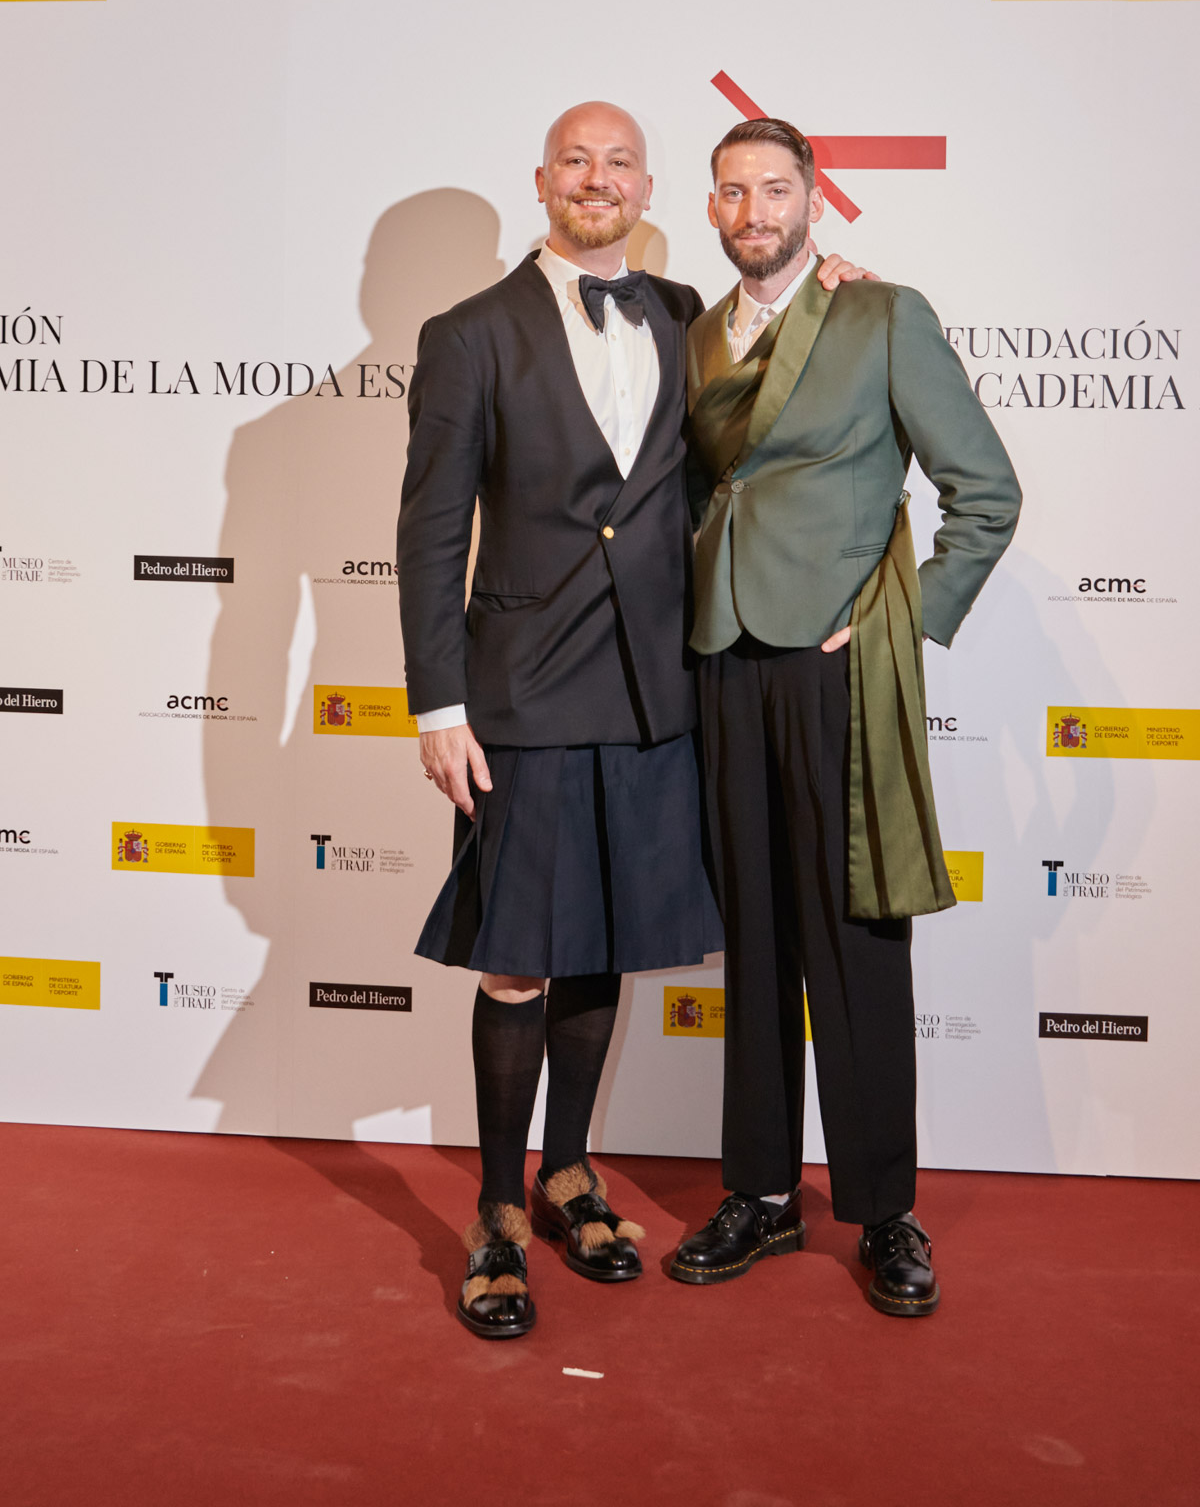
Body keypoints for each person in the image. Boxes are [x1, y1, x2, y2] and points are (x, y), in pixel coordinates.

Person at [396, 102, 866, 1339]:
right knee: (518, 957)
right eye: (575, 160)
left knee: (599, 942)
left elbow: (789, 389)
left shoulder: (683, 315)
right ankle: (499, 1213)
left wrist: (844, 294)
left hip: (659, 690)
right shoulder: (467, 333)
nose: (596, 178)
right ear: (541, 179)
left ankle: (568, 1173)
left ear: (649, 189)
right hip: (522, 693)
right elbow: (431, 531)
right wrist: (439, 704)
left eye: (618, 162)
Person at [671, 117, 1021, 1316]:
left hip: (837, 668)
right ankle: (762, 1192)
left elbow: (987, 490)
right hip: (724, 661)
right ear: (711, 208)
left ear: (814, 199)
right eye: (733, 192)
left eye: (775, 189)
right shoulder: (698, 336)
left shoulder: (882, 315)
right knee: (757, 936)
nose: (754, 212)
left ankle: (883, 1211)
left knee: (858, 937)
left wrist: (900, 624)